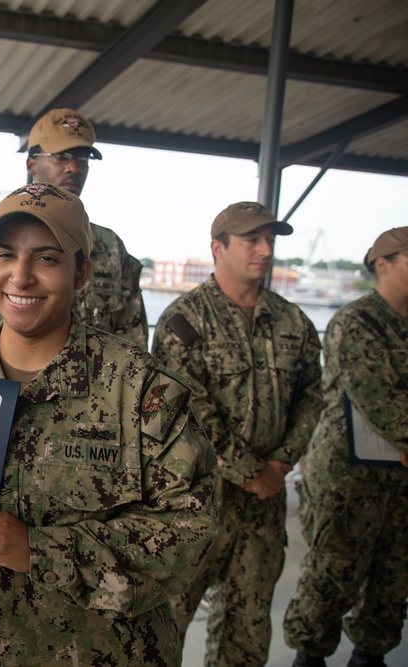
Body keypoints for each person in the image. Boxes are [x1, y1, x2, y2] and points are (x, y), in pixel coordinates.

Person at [0, 183, 219, 666]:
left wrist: (41, 550)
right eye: (5, 255)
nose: (20, 277)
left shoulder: (140, 389)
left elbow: (190, 529)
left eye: (46, 258)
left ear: (82, 272)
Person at [151, 201, 325, 667]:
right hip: (194, 502)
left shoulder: (294, 322)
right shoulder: (182, 320)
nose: (265, 250)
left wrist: (281, 463)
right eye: (252, 239)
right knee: (164, 623)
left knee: (247, 634)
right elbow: (184, 406)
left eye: (271, 240)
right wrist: (249, 470)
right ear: (218, 248)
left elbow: (313, 395)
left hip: (263, 507)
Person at [282, 227, 408, 667]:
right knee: (333, 573)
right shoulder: (357, 321)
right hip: (348, 478)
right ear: (383, 264)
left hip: (402, 480)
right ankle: (309, 655)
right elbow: (378, 397)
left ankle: (371, 654)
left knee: (394, 575)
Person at [0, 108, 147, 347]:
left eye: (82, 159)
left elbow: (133, 341)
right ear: (31, 164)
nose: (74, 168)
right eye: (61, 156)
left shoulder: (111, 246)